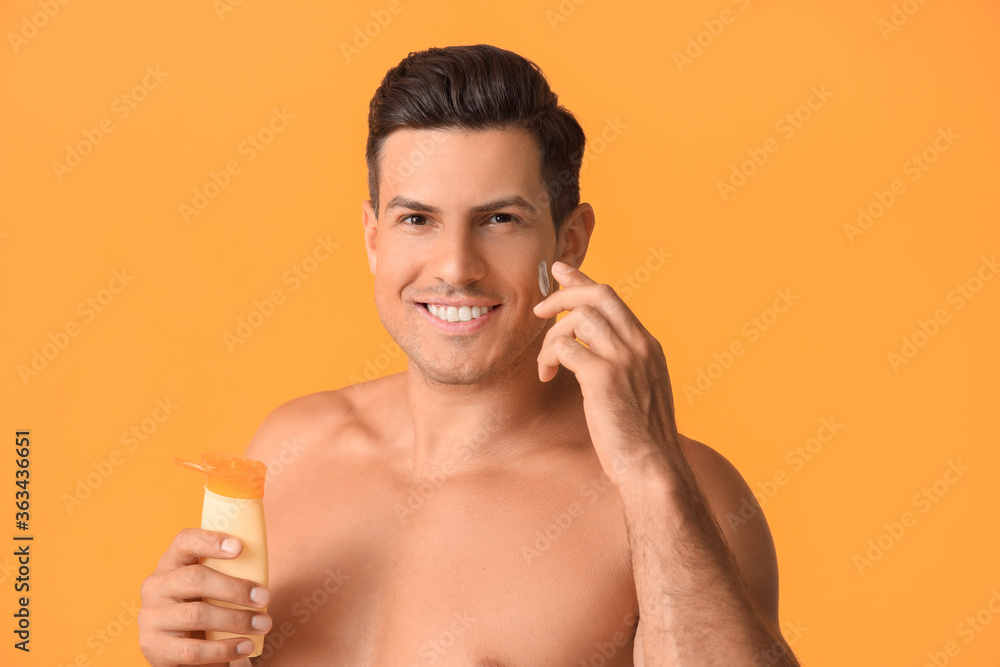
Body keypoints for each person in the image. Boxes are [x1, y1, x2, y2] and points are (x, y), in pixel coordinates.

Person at [139, 43, 799, 666]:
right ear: (373, 237)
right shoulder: (291, 445)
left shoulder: (678, 491)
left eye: (500, 220)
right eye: (417, 220)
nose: (455, 267)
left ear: (569, 241)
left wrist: (653, 478)